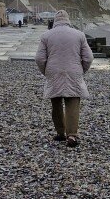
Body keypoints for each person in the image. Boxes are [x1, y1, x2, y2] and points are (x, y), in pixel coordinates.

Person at [34, 10, 93, 148]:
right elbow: (89, 57)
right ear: (68, 20)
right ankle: (72, 135)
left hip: (53, 71)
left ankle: (60, 132)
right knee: (72, 102)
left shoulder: (46, 36)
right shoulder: (79, 35)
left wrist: (46, 72)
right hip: (73, 72)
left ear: (55, 20)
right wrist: (81, 70)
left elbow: (39, 58)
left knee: (56, 103)